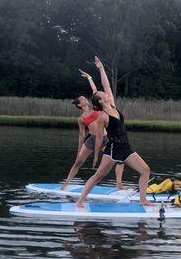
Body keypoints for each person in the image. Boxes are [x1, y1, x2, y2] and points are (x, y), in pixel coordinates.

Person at [76, 56, 152, 207]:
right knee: (99, 176)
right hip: (113, 149)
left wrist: (101, 68)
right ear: (100, 101)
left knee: (145, 171)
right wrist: (96, 156)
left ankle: (143, 200)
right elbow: (98, 138)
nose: (106, 93)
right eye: (103, 94)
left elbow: (106, 85)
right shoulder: (103, 117)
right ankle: (80, 201)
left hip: (126, 148)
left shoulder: (112, 106)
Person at [61, 68, 124, 191]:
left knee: (120, 159)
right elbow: (81, 135)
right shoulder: (81, 119)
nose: (86, 99)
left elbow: (95, 90)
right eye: (83, 99)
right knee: (78, 162)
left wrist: (89, 78)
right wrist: (79, 150)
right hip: (91, 140)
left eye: (85, 98)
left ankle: (119, 184)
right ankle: (66, 184)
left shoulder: (96, 109)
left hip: (104, 139)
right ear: (80, 104)